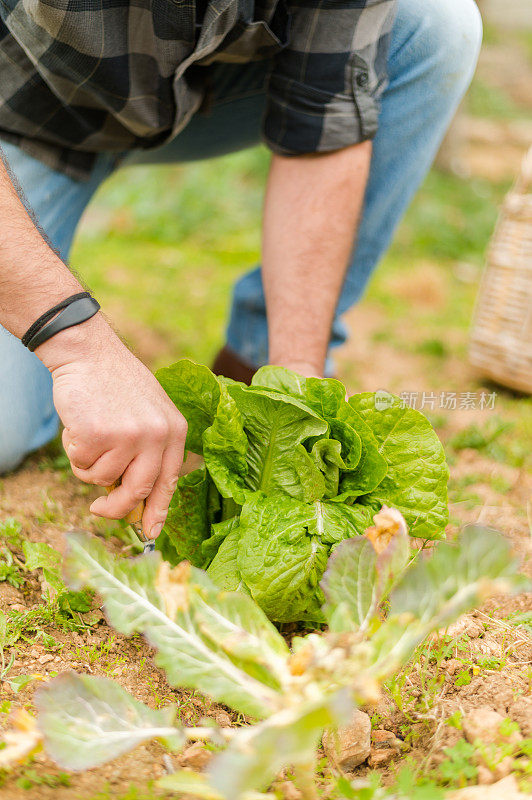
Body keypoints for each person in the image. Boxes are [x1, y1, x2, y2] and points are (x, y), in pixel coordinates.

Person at [0, 0, 482, 537]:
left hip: (195, 94)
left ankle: (250, 364)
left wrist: (292, 385)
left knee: (432, 29)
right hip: (23, 113)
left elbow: (324, 112)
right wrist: (78, 349)